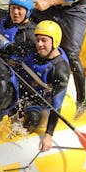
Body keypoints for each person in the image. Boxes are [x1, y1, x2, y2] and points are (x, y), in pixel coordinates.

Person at [20, 20, 70, 152]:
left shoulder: (59, 70)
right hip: (22, 92)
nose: (39, 45)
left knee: (32, 120)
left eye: (44, 40)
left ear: (55, 42)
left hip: (40, 102)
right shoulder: (31, 49)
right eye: (37, 40)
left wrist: (48, 135)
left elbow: (56, 106)